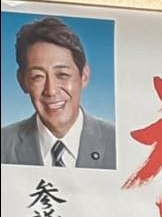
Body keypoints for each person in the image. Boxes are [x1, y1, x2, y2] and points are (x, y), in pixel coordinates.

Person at [1, 16, 117, 168]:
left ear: (84, 76)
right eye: (38, 77)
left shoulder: (118, 142)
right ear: (22, 81)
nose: (51, 90)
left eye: (62, 75)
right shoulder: (4, 144)